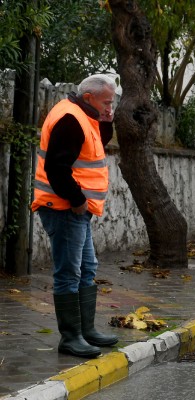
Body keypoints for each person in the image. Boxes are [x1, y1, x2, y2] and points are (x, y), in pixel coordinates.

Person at [32, 74, 120, 358]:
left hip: (74, 210)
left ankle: (86, 330)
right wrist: (78, 200)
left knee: (87, 267)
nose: (111, 107)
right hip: (65, 208)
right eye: (107, 102)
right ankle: (71, 338)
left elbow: (94, 148)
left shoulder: (82, 115)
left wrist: (106, 119)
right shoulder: (70, 118)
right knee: (69, 273)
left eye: (112, 102)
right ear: (88, 98)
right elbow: (57, 168)